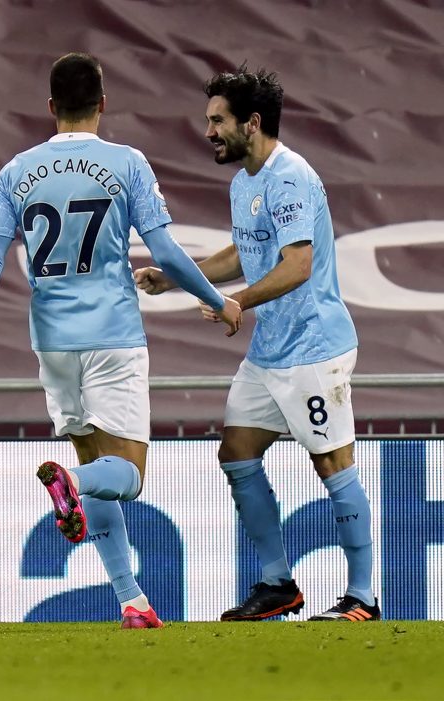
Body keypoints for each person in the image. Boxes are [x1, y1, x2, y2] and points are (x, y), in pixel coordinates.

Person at [0, 52, 241, 629]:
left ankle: (132, 600)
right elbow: (167, 251)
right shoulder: (126, 164)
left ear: (50, 107)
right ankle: (70, 484)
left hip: (52, 345)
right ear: (103, 103)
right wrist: (218, 298)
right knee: (125, 475)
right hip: (113, 336)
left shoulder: (16, 171)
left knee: (96, 473)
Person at [135, 65, 378, 622]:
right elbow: (241, 253)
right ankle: (278, 585)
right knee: (237, 452)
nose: (209, 132)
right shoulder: (245, 181)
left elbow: (298, 265)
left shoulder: (289, 177)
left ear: (253, 122)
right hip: (271, 351)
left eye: (217, 121)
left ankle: (363, 596)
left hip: (314, 349)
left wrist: (238, 301)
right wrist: (176, 277)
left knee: (333, 465)